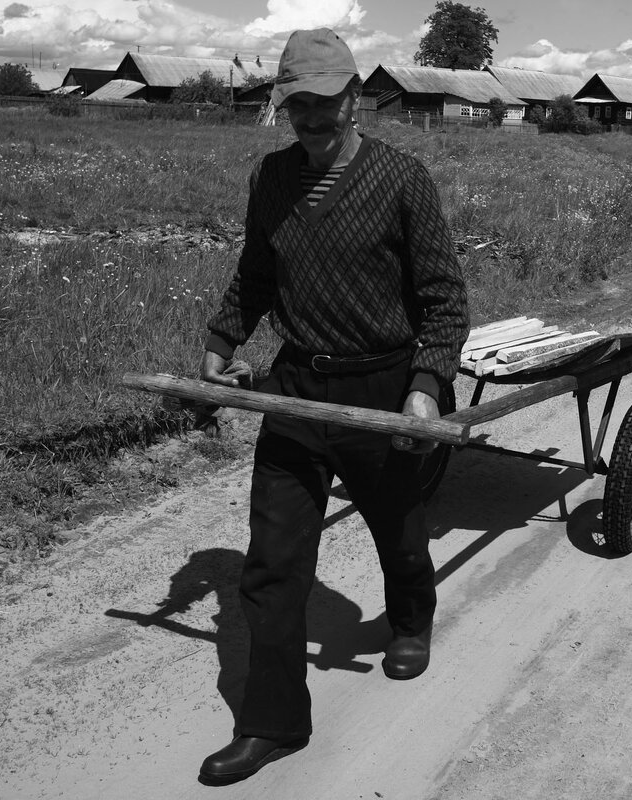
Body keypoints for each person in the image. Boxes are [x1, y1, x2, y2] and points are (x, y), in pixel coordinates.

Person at [196, 28, 469, 786]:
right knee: (272, 564)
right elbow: (257, 273)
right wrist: (224, 337)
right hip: (296, 387)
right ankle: (273, 724)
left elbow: (445, 300)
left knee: (401, 534)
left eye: (325, 104)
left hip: (384, 385)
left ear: (355, 100)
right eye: (297, 106)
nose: (312, 121)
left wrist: (427, 383)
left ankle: (411, 618)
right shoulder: (272, 177)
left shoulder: (402, 179)